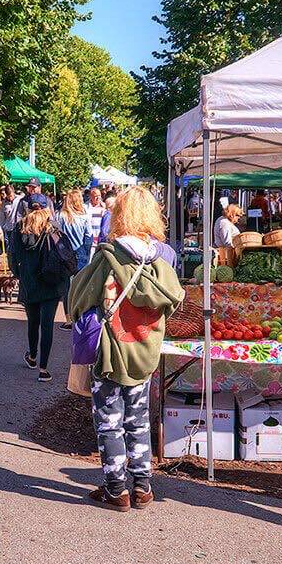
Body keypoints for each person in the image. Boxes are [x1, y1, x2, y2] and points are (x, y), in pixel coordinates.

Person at [68, 186, 185, 510]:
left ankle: (116, 489)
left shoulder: (108, 256)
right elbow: (171, 302)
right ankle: (143, 488)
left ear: (119, 215)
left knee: (109, 420)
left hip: (110, 351)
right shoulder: (167, 256)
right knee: (139, 419)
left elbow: (77, 300)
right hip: (145, 350)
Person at [10, 201, 70, 383]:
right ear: (46, 208)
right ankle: (43, 369)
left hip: (29, 282)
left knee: (33, 322)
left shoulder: (19, 228)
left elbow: (13, 257)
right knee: (47, 325)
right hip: (51, 282)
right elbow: (64, 254)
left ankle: (33, 356)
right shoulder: (54, 227)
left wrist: (19, 274)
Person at [58, 189, 92, 272]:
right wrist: (86, 253)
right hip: (80, 252)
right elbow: (88, 237)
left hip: (63, 254)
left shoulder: (59, 216)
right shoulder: (84, 217)